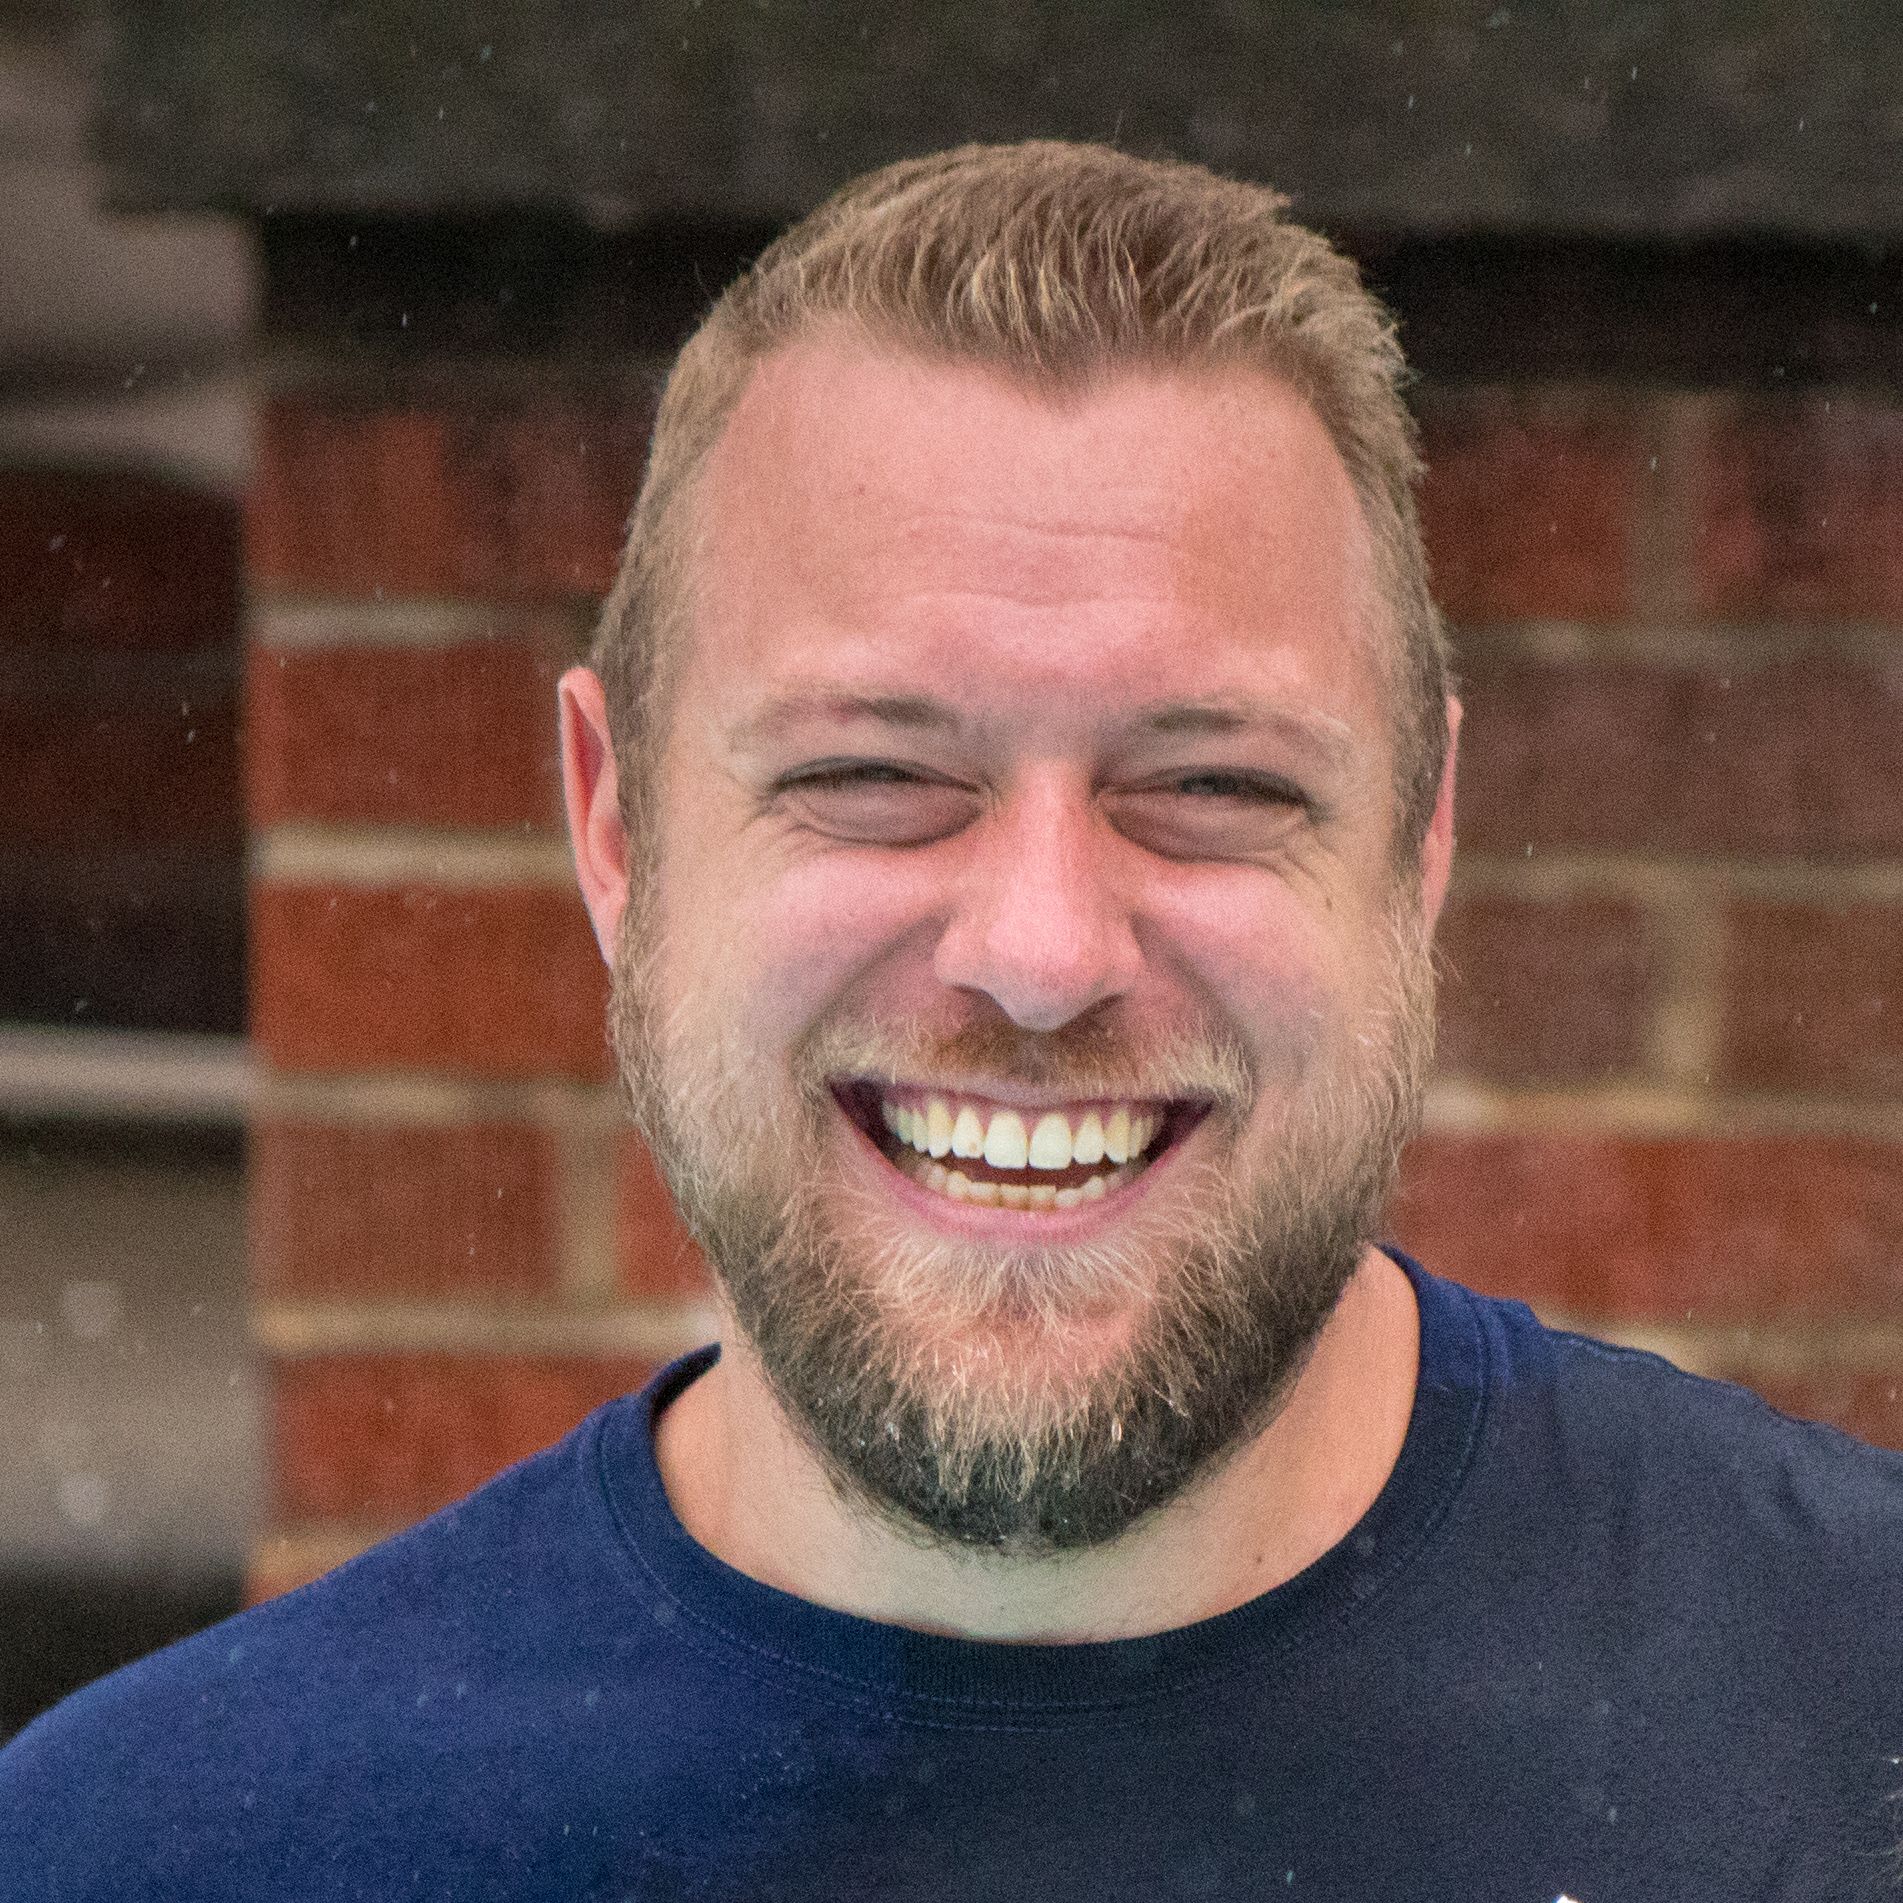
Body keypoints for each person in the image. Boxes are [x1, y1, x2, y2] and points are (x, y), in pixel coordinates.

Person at [2, 139, 1898, 1902]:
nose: (1044, 952)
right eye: (874, 775)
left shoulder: (1851, 1721)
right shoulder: (158, 1854)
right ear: (616, 827)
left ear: (1419, 843)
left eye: (1213, 787)